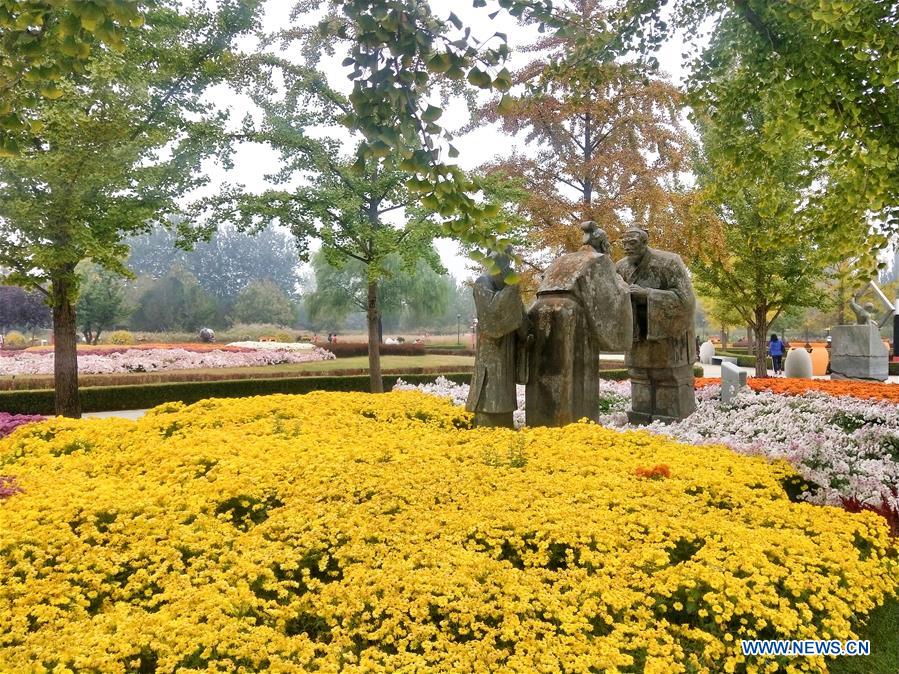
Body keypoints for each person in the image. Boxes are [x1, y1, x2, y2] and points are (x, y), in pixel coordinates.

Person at [525, 222, 632, 426]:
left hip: (539, 311)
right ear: (602, 242)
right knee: (575, 375)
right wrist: (625, 288)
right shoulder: (600, 260)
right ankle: (574, 424)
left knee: (544, 371)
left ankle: (539, 421)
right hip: (572, 316)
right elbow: (610, 297)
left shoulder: (562, 259)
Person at [616, 227, 697, 424]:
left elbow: (686, 300)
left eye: (632, 243)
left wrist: (647, 294)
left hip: (668, 335)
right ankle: (641, 414)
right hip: (638, 334)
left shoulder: (669, 262)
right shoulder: (620, 268)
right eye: (624, 244)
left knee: (668, 376)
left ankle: (673, 416)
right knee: (639, 373)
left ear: (644, 243)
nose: (627, 248)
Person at [466, 248, 528, 428]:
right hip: (491, 347)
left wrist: (526, 333)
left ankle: (502, 427)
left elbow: (519, 312)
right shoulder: (483, 282)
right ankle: (487, 426)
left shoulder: (507, 284)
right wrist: (511, 289)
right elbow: (491, 316)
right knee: (490, 388)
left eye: (507, 258)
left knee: (503, 391)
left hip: (507, 346)